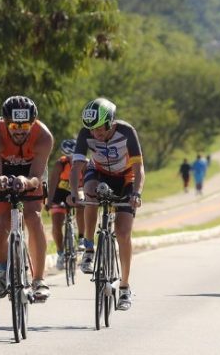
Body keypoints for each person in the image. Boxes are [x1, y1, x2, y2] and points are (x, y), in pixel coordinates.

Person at [68, 98, 144, 311]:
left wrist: (136, 193)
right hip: (99, 172)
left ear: (110, 123)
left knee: (123, 232)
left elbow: (139, 169)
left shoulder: (127, 132)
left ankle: (125, 286)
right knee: (89, 192)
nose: (96, 135)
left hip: (126, 177)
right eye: (91, 130)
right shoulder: (86, 134)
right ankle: (89, 247)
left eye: (100, 130)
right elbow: (77, 167)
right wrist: (75, 193)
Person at [0, 96, 53, 302]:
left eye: (26, 126)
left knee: (34, 218)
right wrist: (1, 181)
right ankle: (2, 268)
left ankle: (39, 279)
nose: (20, 130)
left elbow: (36, 177)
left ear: (34, 123)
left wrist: (25, 181)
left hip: (30, 175)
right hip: (2, 175)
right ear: (5, 123)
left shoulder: (44, 137)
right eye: (14, 125)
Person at [46, 139, 85, 270]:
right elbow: (52, 185)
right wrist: (49, 201)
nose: (73, 159)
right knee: (56, 223)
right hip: (60, 193)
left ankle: (81, 239)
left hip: (77, 191)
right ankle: (61, 253)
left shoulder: (84, 164)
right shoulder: (60, 164)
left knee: (81, 204)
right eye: (70, 156)